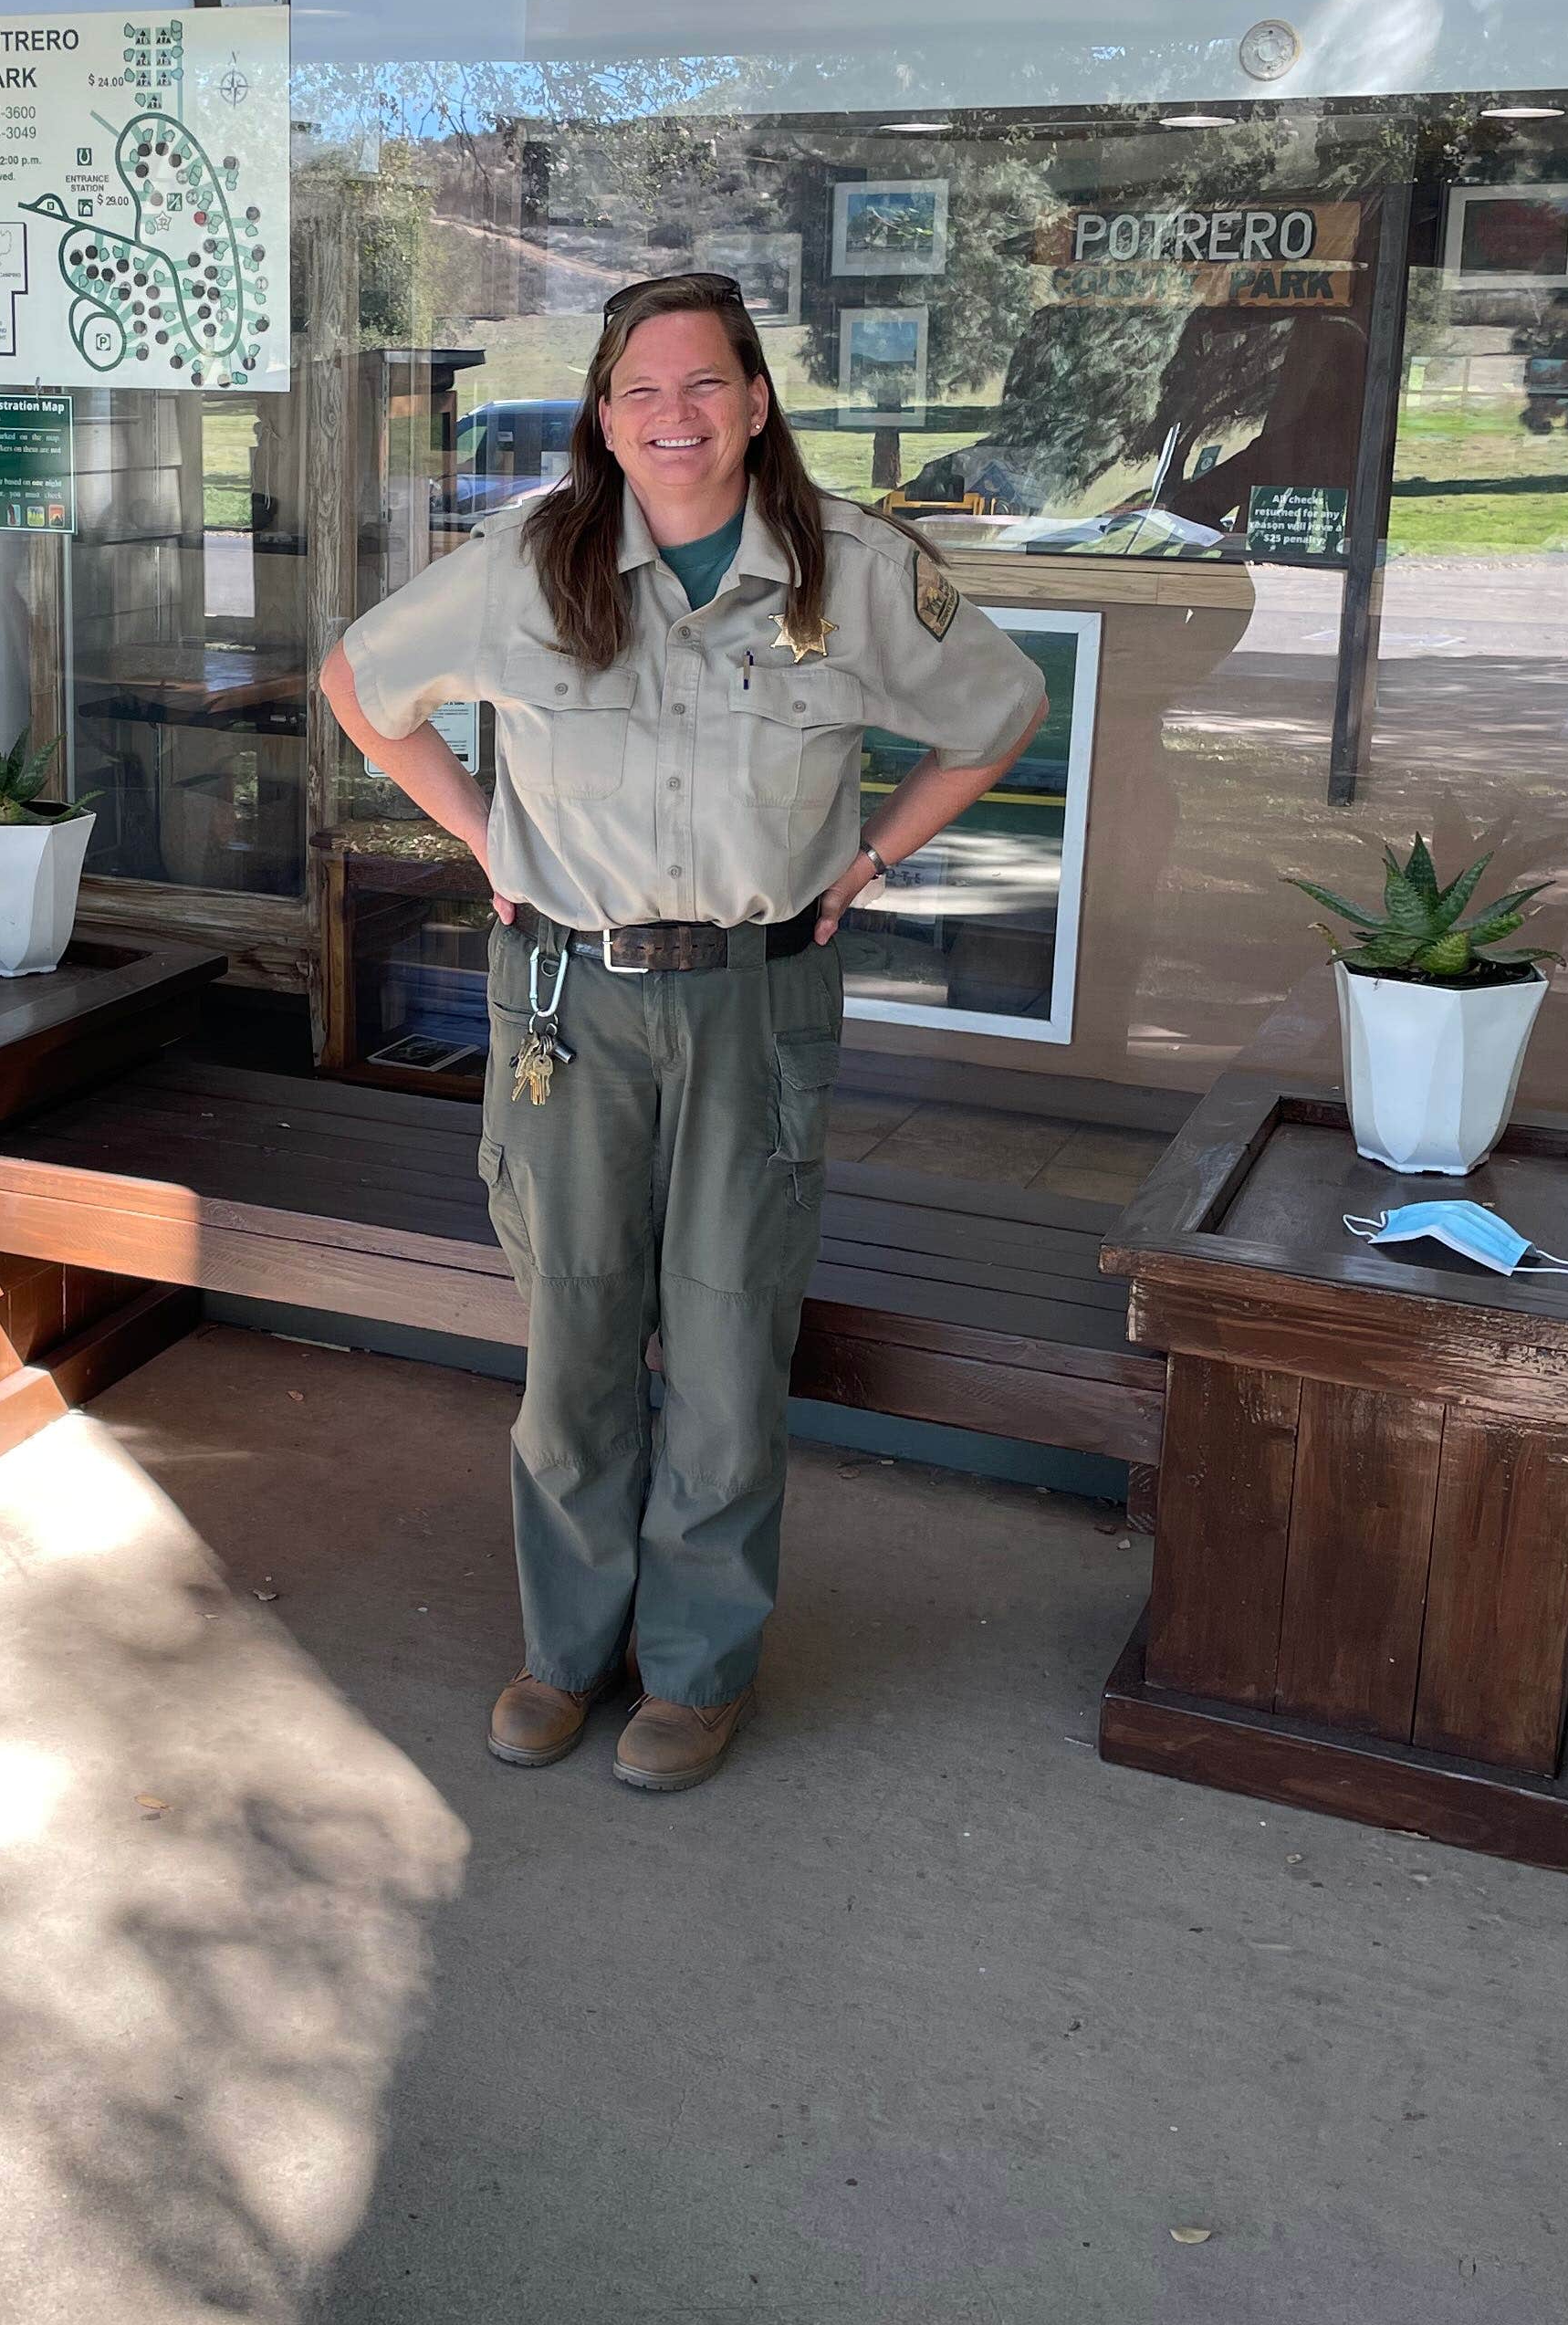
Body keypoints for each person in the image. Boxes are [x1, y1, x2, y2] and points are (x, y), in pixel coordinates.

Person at [317, 272, 1048, 1794]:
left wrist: (879, 853)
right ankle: (566, 1651)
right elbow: (358, 685)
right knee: (575, 1335)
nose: (673, 416)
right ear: (602, 415)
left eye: (704, 385)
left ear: (758, 402)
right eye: (640, 391)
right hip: (567, 1006)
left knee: (725, 1337)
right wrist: (483, 839)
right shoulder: (529, 563)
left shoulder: (845, 571)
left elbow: (997, 711)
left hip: (756, 1001)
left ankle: (700, 1669)